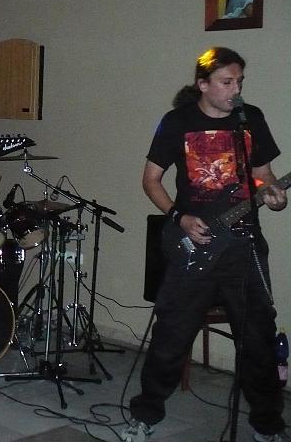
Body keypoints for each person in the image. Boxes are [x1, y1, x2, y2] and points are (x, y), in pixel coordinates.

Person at [122, 48, 287, 442]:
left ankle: (267, 425)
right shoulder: (177, 122)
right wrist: (179, 216)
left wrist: (273, 193)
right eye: (227, 82)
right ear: (203, 84)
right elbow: (151, 180)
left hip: (244, 245)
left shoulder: (251, 118)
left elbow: (263, 175)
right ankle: (146, 415)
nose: (236, 90)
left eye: (239, 82)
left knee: (258, 338)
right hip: (193, 242)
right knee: (172, 334)